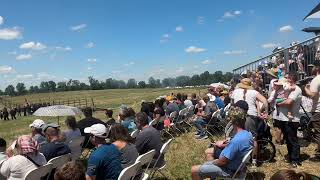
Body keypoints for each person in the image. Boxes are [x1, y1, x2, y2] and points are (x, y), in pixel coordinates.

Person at [191, 108, 253, 179]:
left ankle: (210, 174)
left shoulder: (236, 141)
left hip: (229, 170)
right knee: (209, 157)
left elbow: (223, 162)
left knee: (194, 170)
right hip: (237, 165)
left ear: (234, 122)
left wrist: (212, 163)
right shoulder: (248, 134)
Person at [231, 78, 268, 166]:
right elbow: (265, 101)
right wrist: (265, 112)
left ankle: (240, 159)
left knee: (237, 137)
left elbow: (232, 103)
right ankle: (254, 161)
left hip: (238, 115)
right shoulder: (254, 92)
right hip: (251, 116)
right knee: (253, 138)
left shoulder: (235, 91)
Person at [274, 73, 302, 168]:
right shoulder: (288, 87)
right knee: (288, 139)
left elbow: (289, 101)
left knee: (292, 139)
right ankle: (291, 157)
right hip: (284, 118)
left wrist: (279, 103)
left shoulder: (297, 89)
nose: (285, 80)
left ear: (291, 79)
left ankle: (295, 160)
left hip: (291, 119)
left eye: (287, 78)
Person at [305, 62, 320, 157]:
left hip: (318, 109)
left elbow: (312, 95)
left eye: (312, 67)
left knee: (318, 132)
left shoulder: (316, 79)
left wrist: (305, 88)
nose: (311, 69)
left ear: (317, 68)